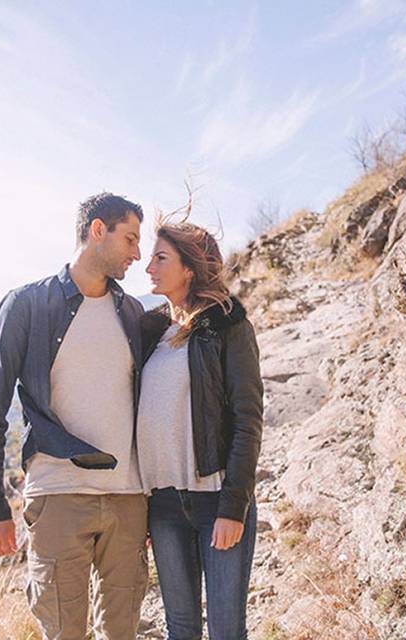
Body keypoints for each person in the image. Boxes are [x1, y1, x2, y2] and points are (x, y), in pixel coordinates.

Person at [0, 192, 149, 640]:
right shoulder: (27, 305)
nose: (137, 253)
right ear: (96, 231)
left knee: (123, 632)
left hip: (128, 498)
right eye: (129, 238)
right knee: (65, 633)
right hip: (58, 495)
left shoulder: (131, 312)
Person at [139, 216, 263, 640]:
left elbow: (248, 419)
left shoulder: (227, 326)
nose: (148, 267)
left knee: (227, 631)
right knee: (181, 630)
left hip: (216, 502)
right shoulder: (151, 332)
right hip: (164, 507)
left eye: (160, 258)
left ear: (189, 268)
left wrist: (234, 506)